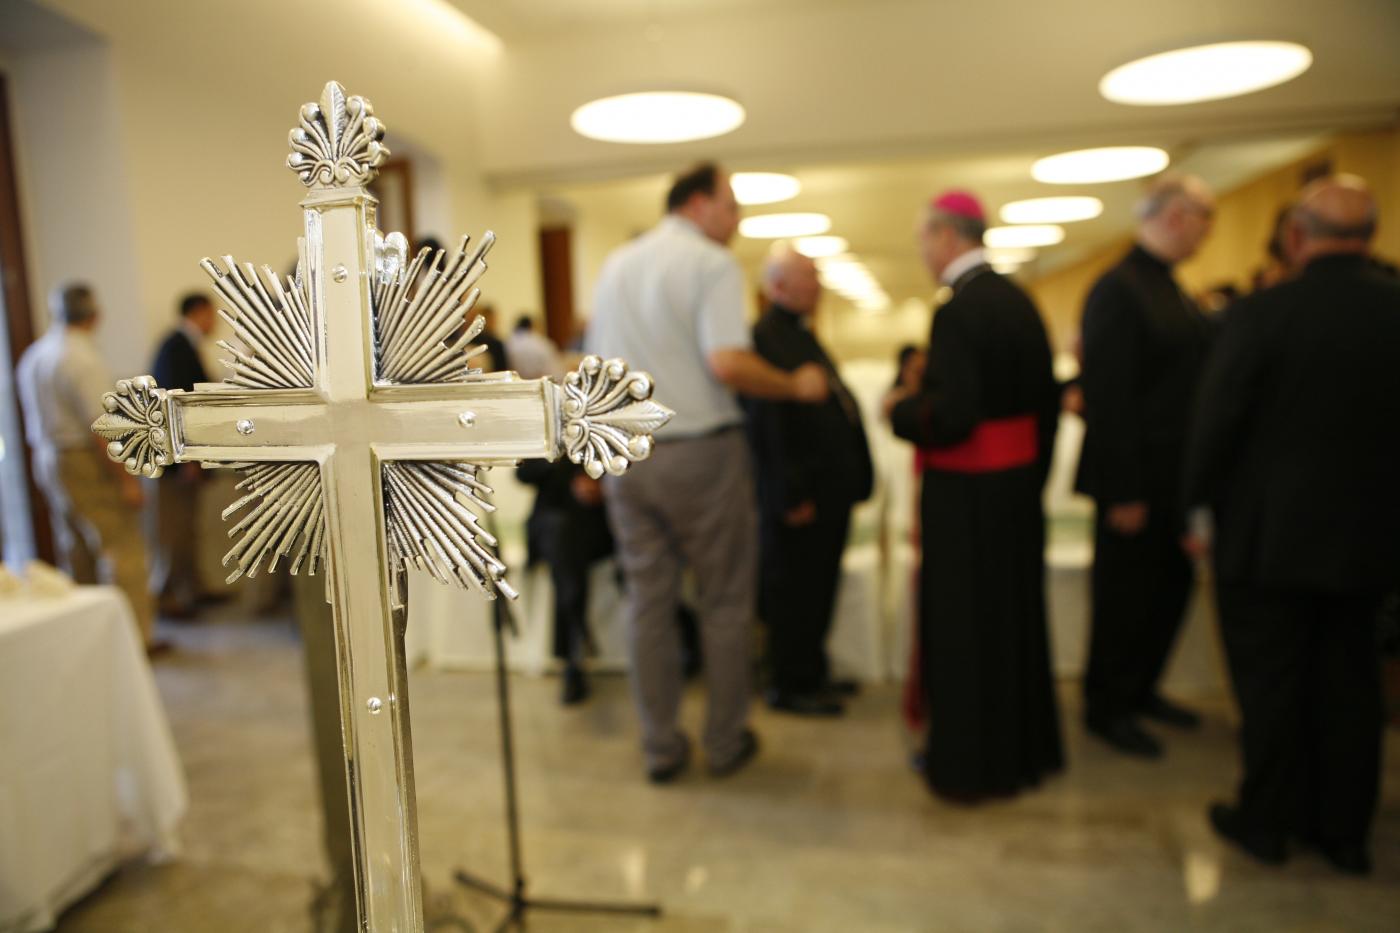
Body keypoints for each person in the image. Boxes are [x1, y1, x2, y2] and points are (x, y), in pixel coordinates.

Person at [1182, 175, 1400, 876]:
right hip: (1371, 538)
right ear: (1368, 237)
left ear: (1298, 237)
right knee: (1352, 681)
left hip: (1268, 538)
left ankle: (1268, 820)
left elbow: (1216, 426)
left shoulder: (1263, 315)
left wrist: (1196, 507)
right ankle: (1345, 832)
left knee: (1271, 683)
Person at [586, 161, 829, 782]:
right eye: (731, 205)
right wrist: (794, 385)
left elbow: (593, 371)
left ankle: (660, 747)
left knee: (649, 602)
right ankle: (723, 740)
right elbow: (725, 362)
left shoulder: (616, 265)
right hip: (697, 451)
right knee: (724, 602)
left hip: (626, 451)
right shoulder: (711, 264)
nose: (738, 218)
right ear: (697, 204)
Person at [887, 190, 1062, 802]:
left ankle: (969, 767)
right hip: (1014, 492)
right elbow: (1046, 408)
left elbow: (954, 415)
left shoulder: (956, 310)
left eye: (922, 240)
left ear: (945, 236)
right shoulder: (1017, 299)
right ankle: (1023, 752)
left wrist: (902, 412)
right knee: (1012, 625)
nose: (922, 253)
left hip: (966, 500)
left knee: (966, 631)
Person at [1075, 174, 1216, 758]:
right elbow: (1109, 398)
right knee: (1126, 597)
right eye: (1205, 219)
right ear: (1177, 216)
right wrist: (1125, 489)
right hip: (1133, 479)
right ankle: (1107, 704)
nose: (1208, 234)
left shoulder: (1170, 287)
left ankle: (1140, 690)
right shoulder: (1119, 288)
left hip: (1172, 476)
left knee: (1166, 591)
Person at [747, 245, 873, 716]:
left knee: (818, 588)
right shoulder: (766, 339)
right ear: (777, 286)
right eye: (807, 277)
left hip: (827, 491)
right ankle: (789, 683)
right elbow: (771, 428)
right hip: (800, 497)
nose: (817, 285)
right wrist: (791, 493)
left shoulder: (799, 332)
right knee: (794, 593)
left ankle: (812, 672)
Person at [16, 283, 162, 653]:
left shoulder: (34, 355)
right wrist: (127, 478)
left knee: (75, 546)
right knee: (121, 548)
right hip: (82, 457)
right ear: (94, 315)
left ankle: (88, 638)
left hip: (48, 456)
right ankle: (133, 640)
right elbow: (101, 425)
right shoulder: (81, 358)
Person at [517, 457, 613, 705]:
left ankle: (573, 654)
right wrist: (560, 463)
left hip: (597, 526)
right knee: (563, 539)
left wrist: (602, 485)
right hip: (554, 529)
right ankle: (574, 653)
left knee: (567, 550)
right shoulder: (546, 434)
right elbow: (523, 474)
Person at [149, 292, 217, 618]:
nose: (214, 321)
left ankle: (192, 590)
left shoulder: (183, 345)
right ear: (198, 312)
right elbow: (177, 404)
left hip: (184, 458)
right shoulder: (175, 347)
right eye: (211, 313)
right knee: (174, 531)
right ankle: (170, 598)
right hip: (177, 461)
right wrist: (187, 458)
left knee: (188, 528)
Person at [505, 315, 563, 380]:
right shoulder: (541, 343)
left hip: (520, 382)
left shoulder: (509, 343)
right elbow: (555, 370)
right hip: (542, 381)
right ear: (533, 326)